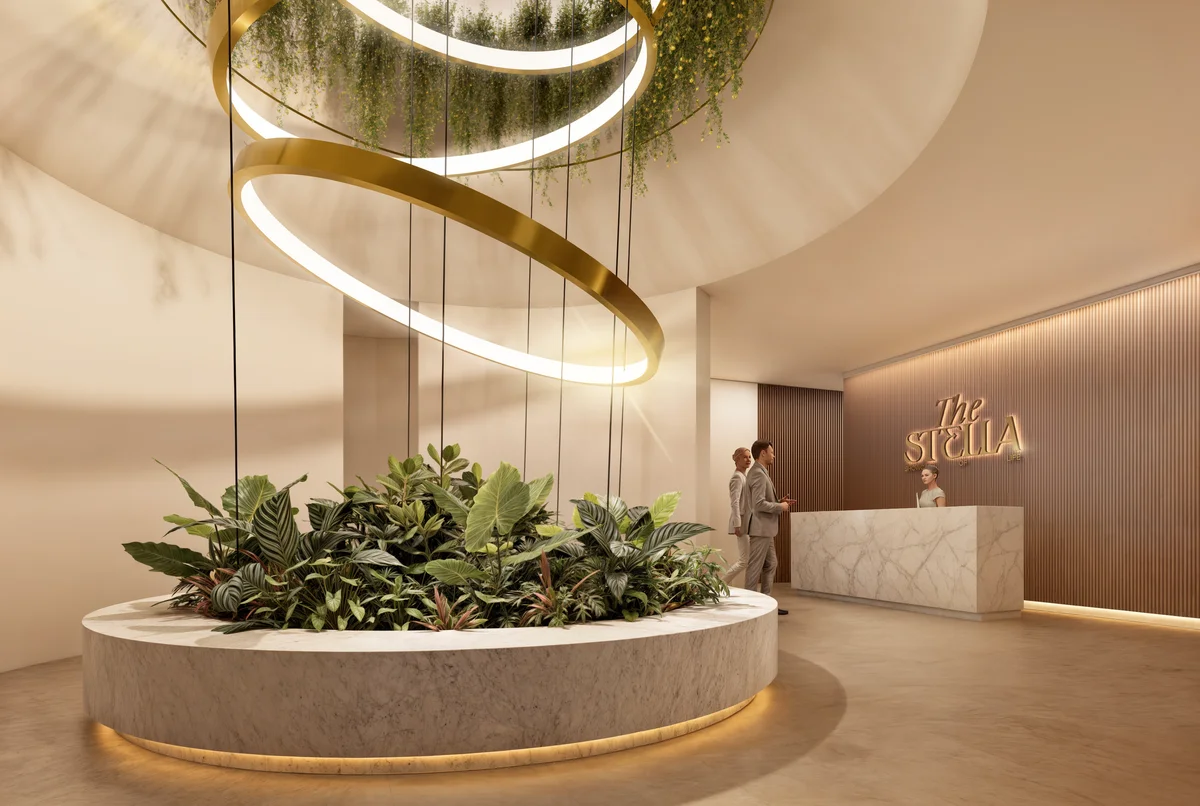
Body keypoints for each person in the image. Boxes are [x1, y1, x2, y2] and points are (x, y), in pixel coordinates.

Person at [745, 440, 796, 615]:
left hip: (765, 529)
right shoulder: (758, 474)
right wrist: (779, 507)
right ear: (763, 453)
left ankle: (765, 604)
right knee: (755, 568)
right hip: (760, 529)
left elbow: (761, 501)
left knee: (771, 563)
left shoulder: (760, 472)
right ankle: (750, 607)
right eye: (771, 452)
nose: (774, 455)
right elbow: (758, 504)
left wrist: (778, 502)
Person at [722, 447, 752, 586]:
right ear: (737, 459)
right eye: (745, 457)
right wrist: (737, 524)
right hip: (741, 523)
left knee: (745, 559)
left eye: (750, 457)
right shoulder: (737, 477)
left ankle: (724, 585)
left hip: (747, 522)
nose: (748, 460)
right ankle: (720, 583)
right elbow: (735, 502)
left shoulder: (743, 476)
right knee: (744, 560)